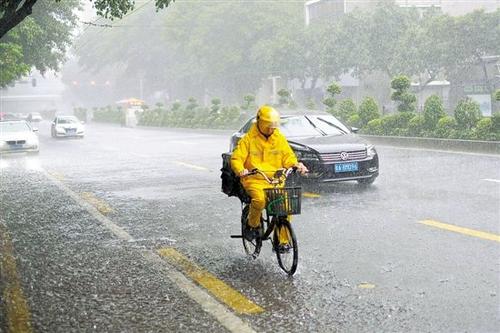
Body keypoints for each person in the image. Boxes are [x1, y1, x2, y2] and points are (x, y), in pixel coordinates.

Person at [231, 105, 308, 246]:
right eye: (268, 126)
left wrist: (296, 165)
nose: (271, 129)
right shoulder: (248, 139)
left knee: (285, 207)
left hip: (276, 180)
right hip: (254, 180)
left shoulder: (279, 138)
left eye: (273, 126)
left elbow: (288, 156)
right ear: (260, 123)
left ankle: (282, 242)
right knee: (259, 200)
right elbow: (237, 158)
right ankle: (252, 225)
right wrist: (241, 170)